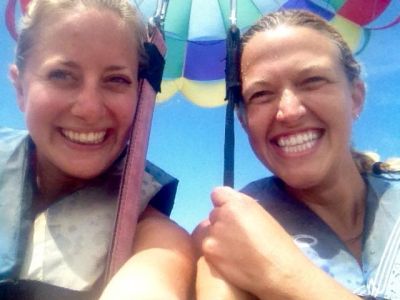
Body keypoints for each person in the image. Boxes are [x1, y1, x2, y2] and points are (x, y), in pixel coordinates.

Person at [194, 10, 400, 300]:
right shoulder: (224, 243)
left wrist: (285, 277)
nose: (289, 112)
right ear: (244, 121)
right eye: (262, 94)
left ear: (356, 97)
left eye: (312, 81)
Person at [0, 0, 194, 299]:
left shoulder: (157, 240)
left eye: (116, 80)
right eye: (62, 75)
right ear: (20, 89)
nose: (89, 109)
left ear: (141, 96)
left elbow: (156, 279)